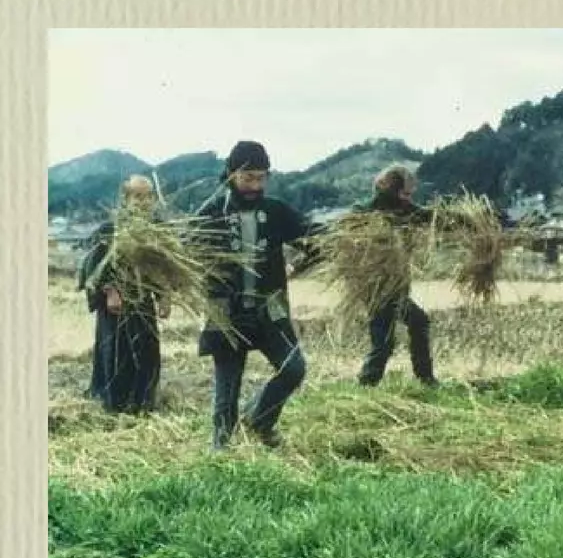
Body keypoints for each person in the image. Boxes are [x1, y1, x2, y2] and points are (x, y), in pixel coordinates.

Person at [191, 140, 323, 450]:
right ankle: (221, 446)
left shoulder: (276, 211)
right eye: (248, 178)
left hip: (270, 308)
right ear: (230, 175)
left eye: (261, 177)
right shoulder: (211, 213)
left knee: (293, 368)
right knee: (228, 383)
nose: (255, 185)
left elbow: (315, 238)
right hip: (226, 309)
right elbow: (188, 256)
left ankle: (259, 420)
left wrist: (306, 260)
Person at [76, 176, 164, 415]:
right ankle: (114, 405)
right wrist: (110, 291)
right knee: (116, 353)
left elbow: (162, 269)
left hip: (143, 301)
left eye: (148, 196)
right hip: (114, 303)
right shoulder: (110, 229)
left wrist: (164, 297)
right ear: (125, 198)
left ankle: (144, 402)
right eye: (138, 196)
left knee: (147, 351)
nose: (144, 202)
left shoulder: (156, 231)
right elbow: (94, 266)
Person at [354, 164, 437, 388]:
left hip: (397, 287)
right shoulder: (364, 213)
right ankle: (367, 384)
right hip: (375, 288)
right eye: (405, 193)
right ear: (391, 189)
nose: (409, 199)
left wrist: (468, 221)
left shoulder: (406, 211)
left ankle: (425, 378)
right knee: (384, 342)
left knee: (418, 322)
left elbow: (432, 217)